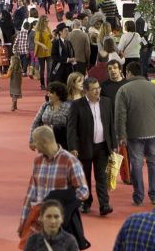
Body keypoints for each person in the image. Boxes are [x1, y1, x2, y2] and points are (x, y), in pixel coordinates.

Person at [19, 126, 89, 239]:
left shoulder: (70, 161)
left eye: (35, 142)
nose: (33, 145)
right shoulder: (37, 161)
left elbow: (83, 191)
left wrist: (59, 198)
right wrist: (23, 223)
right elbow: (31, 194)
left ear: (45, 142)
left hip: (61, 227)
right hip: (39, 226)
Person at [115, 61, 155, 207]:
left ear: (128, 73)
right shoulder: (154, 88)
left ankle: (138, 196)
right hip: (153, 132)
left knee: (136, 163)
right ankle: (154, 195)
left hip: (134, 133)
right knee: (153, 162)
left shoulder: (124, 90)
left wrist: (121, 135)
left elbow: (120, 115)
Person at [66, 77, 116, 215]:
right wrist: (73, 147)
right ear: (85, 91)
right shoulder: (77, 105)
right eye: (94, 89)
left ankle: (104, 205)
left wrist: (114, 145)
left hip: (102, 147)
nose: (97, 91)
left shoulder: (107, 102)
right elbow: (71, 128)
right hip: (84, 147)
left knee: (102, 177)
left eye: (98, 88)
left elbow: (111, 125)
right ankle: (86, 202)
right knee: (85, 177)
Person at [30, 81, 72, 148]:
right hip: (45, 141)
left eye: (51, 93)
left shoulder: (68, 108)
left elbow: (72, 127)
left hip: (62, 142)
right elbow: (35, 122)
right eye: (48, 92)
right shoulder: (45, 105)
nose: (48, 95)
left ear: (59, 94)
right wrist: (31, 140)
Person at [33, 15, 52, 89]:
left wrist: (52, 37)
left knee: (49, 68)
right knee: (42, 69)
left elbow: (50, 37)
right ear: (42, 22)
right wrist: (42, 45)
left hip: (49, 51)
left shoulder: (48, 28)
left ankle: (49, 84)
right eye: (46, 21)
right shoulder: (38, 30)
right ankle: (42, 84)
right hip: (41, 52)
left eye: (48, 21)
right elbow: (35, 41)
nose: (47, 22)